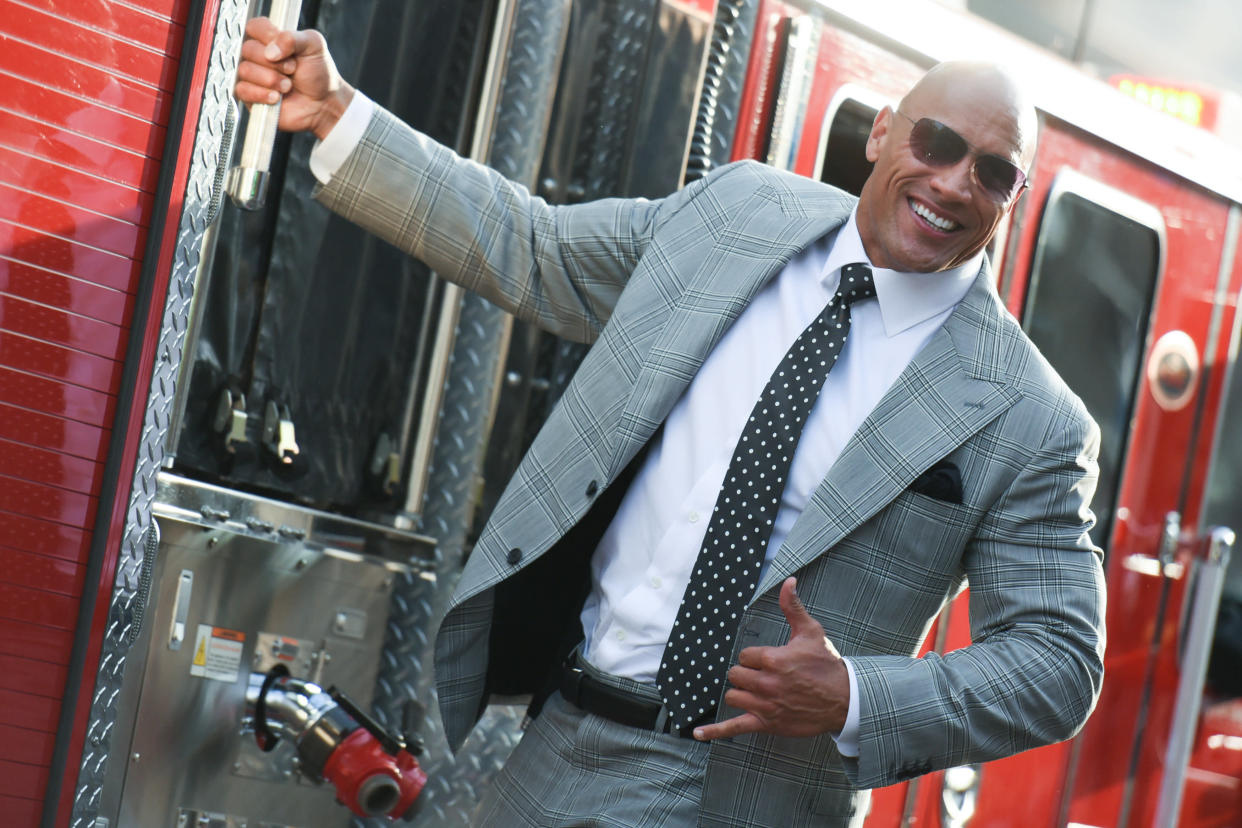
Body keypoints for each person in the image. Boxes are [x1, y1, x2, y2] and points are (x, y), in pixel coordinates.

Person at [236, 18, 1106, 827]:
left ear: (1015, 198)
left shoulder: (1026, 416)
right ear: (883, 133)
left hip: (733, 790)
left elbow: (1060, 661)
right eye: (939, 143)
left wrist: (857, 698)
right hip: (558, 733)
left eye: (994, 172)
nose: (956, 183)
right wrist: (340, 118)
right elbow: (537, 250)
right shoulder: (737, 216)